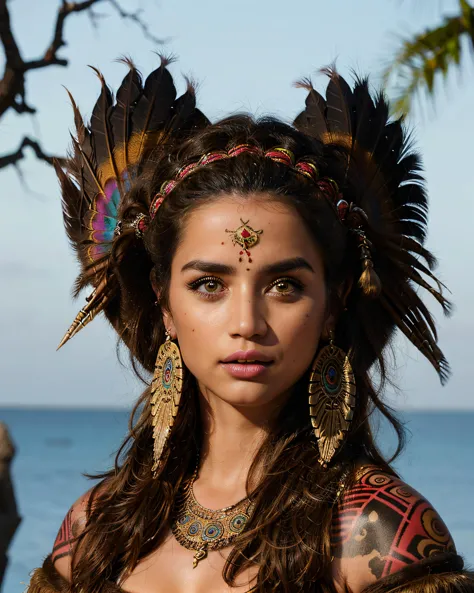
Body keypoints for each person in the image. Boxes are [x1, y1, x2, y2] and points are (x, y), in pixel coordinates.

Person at [27, 57, 473, 593]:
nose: (247, 323)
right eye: (209, 285)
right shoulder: (96, 528)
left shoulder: (377, 534)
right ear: (164, 303)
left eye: (284, 286)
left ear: (332, 305)